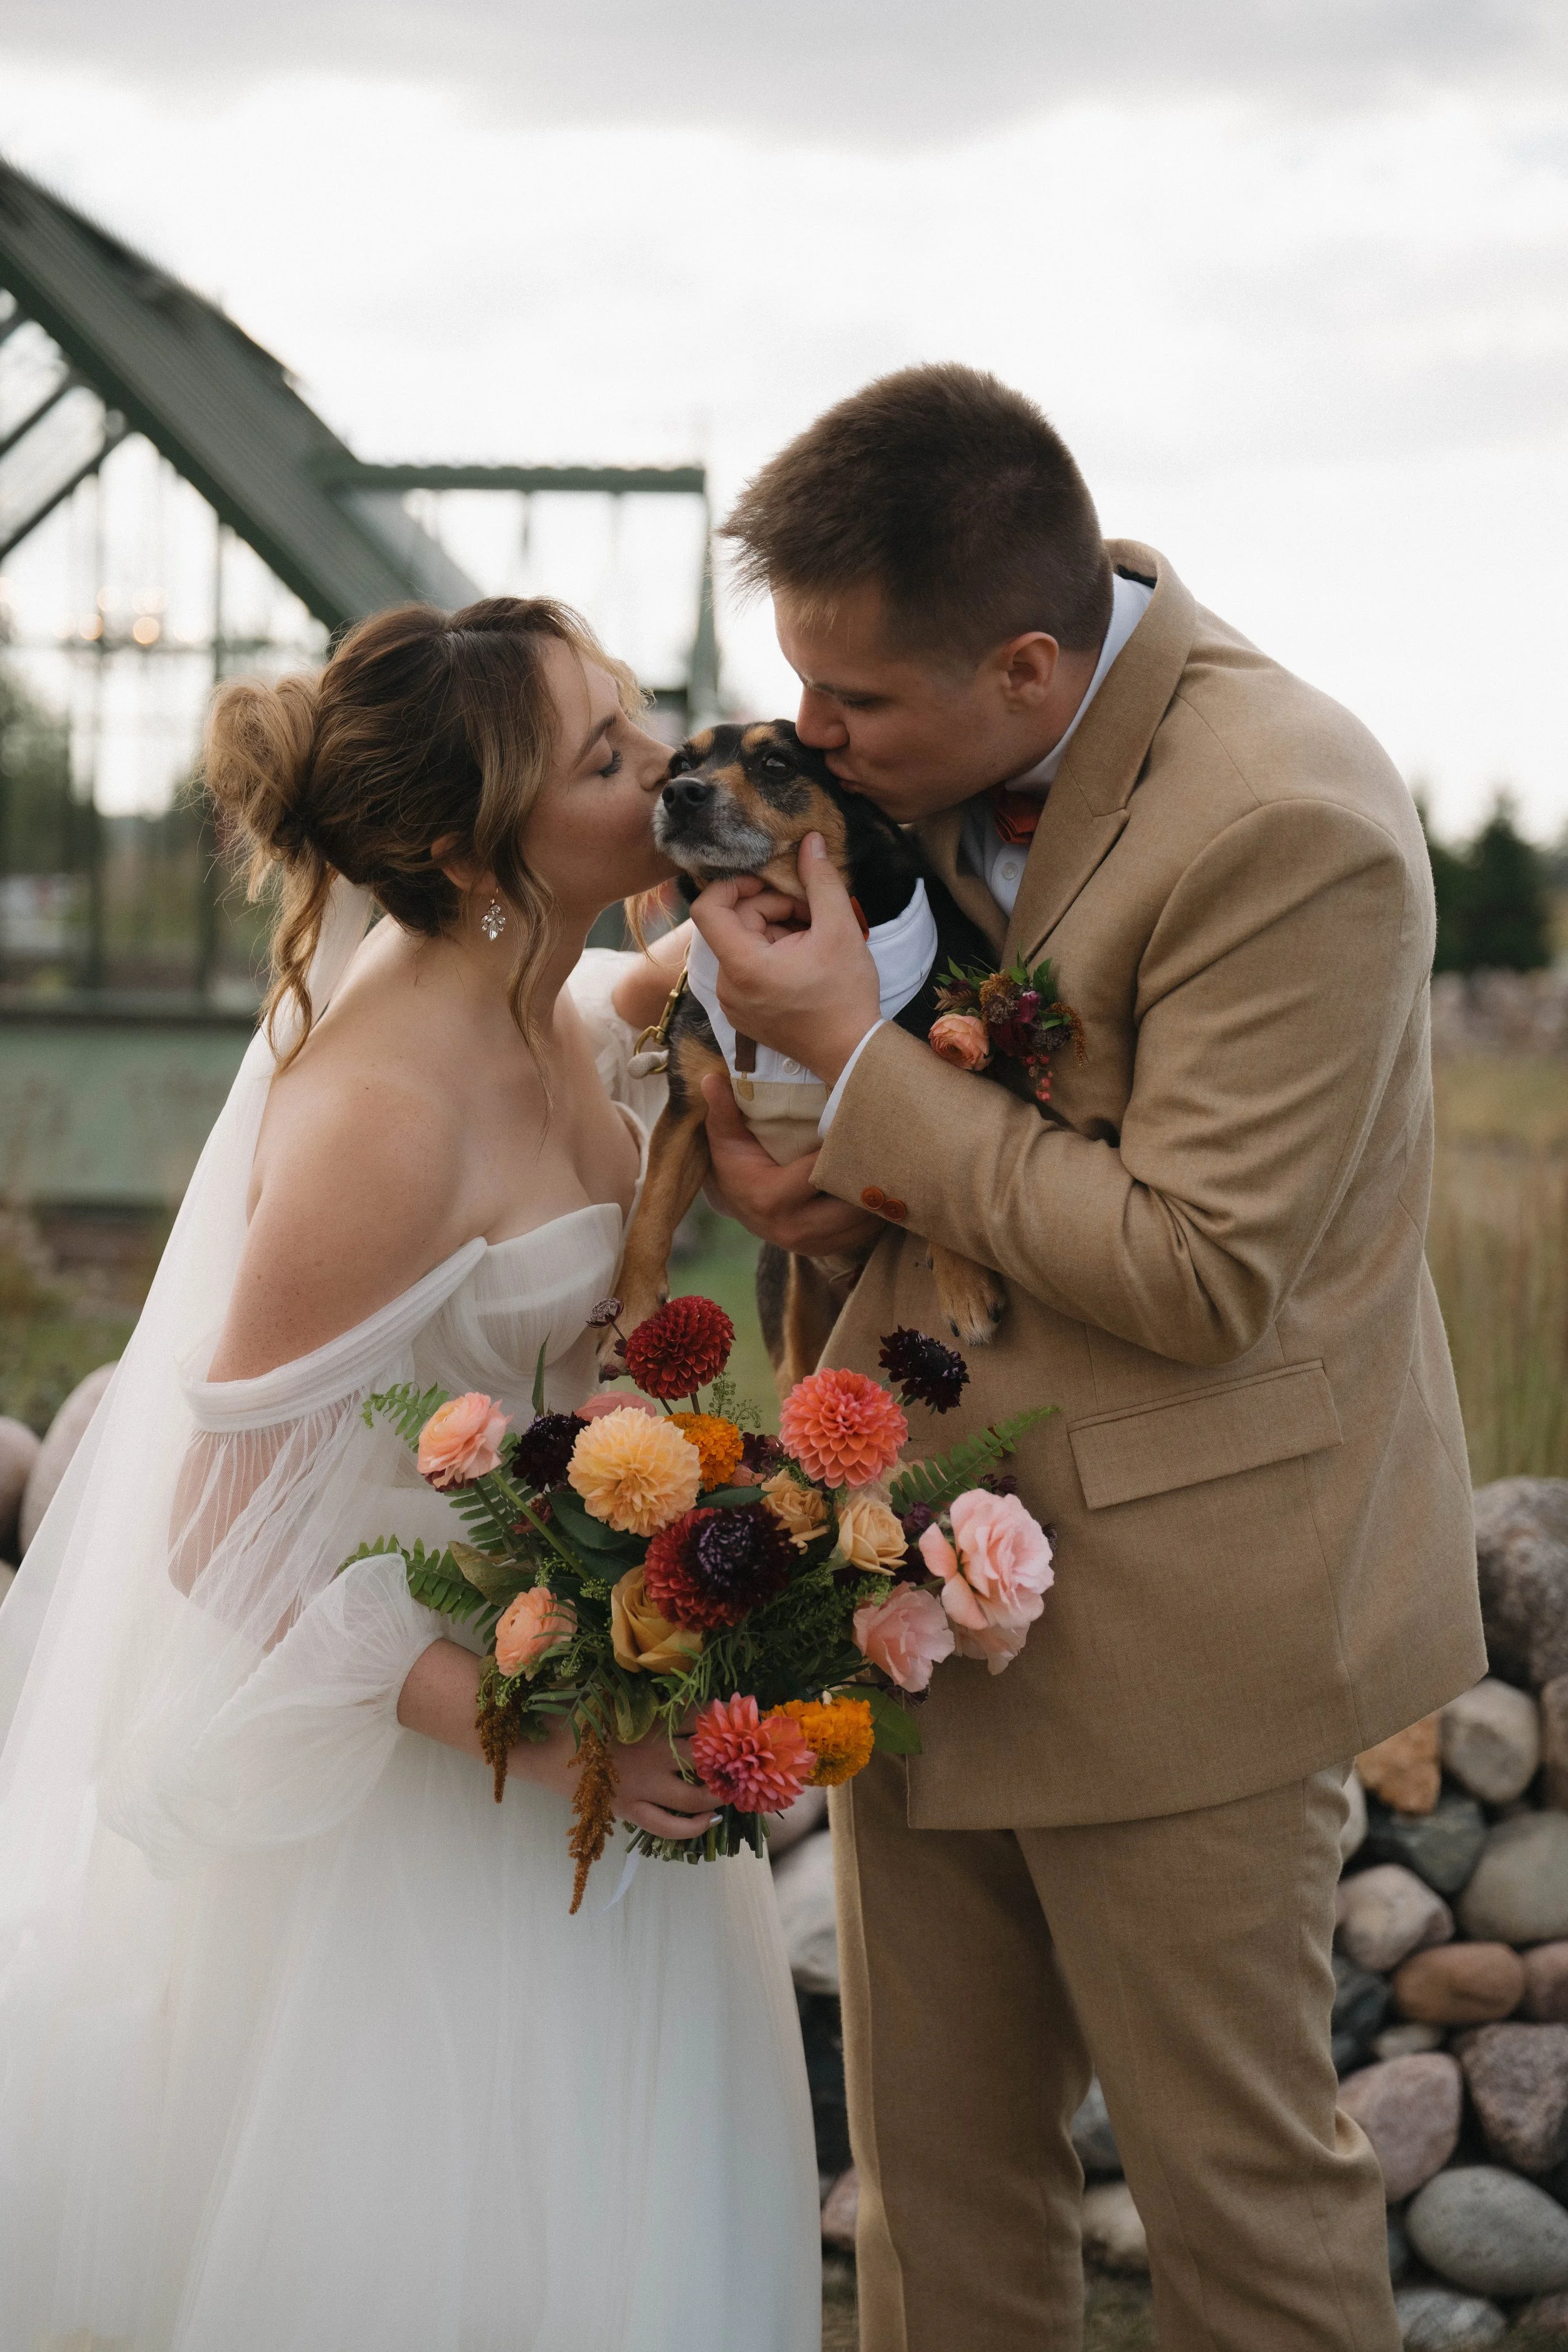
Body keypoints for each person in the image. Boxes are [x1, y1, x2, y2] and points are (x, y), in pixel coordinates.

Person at [692, 364, 1486, 2352]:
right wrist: (831, 1187)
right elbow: (967, 1151)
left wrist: (855, 1073)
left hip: (1186, 1631)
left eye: (851, 704)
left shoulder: (1290, 821)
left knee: (1239, 2212)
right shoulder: (926, 776)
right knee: (938, 2209)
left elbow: (1201, 1262)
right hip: (911, 1586)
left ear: (1030, 665)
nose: (810, 738)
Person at [0, 598, 820, 2352]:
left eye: (637, 714)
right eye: (604, 758)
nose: (660, 760)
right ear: (465, 851)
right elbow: (217, 1538)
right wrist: (529, 1723)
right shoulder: (385, 1113)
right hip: (420, 1797)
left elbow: (635, 1003)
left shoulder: (551, 989)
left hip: (585, 1688)